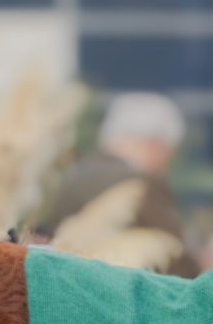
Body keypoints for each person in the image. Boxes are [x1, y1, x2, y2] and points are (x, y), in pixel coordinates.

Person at [34, 92, 198, 276]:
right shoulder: (143, 185)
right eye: (167, 152)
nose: (165, 162)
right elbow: (177, 256)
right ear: (155, 144)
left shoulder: (71, 177)